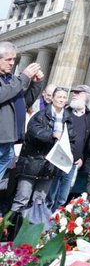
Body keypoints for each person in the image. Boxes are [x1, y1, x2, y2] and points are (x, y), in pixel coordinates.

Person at [0, 42, 43, 191]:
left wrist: (36, 84)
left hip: (9, 140)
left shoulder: (10, 79)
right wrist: (24, 77)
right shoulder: (14, 81)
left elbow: (24, 103)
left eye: (14, 59)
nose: (12, 63)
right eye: (8, 59)